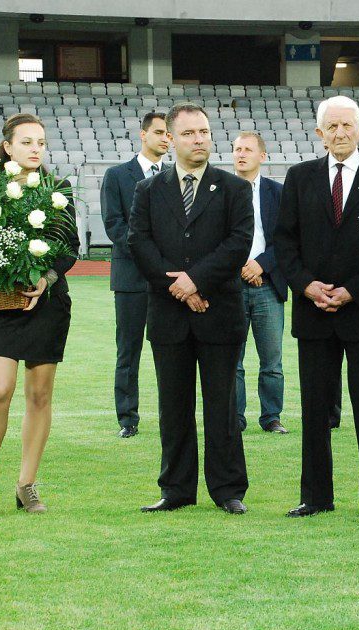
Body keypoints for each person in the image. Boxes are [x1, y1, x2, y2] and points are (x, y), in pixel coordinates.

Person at [274, 95, 359, 519]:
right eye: (331, 127)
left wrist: (352, 291)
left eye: (347, 125)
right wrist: (306, 286)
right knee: (314, 408)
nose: (340, 133)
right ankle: (315, 497)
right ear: (319, 133)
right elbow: (284, 241)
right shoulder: (299, 177)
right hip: (312, 312)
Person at [128, 103, 254, 516]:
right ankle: (176, 489)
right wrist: (179, 289)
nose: (198, 139)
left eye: (203, 132)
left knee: (222, 405)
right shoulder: (148, 190)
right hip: (169, 317)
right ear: (171, 140)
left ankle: (228, 489)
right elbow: (139, 244)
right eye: (188, 134)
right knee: (173, 405)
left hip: (219, 313)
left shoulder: (234, 188)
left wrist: (195, 281)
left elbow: (238, 243)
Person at [0, 113, 80, 516]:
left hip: (48, 305)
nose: (36, 149)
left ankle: (27, 485)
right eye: (27, 142)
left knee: (39, 395)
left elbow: (70, 246)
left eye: (41, 142)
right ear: (8, 146)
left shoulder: (58, 189)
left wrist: (48, 278)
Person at [101, 111, 170, 439]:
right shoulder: (116, 175)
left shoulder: (175, 175)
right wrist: (148, 254)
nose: (165, 138)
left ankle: (171, 413)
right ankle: (127, 418)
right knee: (128, 350)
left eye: (168, 133)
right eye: (159, 132)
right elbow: (114, 224)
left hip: (169, 281)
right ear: (143, 135)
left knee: (170, 351)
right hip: (131, 278)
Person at [231, 131, 289, 434]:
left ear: (262, 156)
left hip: (268, 285)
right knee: (233, 360)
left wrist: (260, 264)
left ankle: (271, 417)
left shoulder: (278, 193)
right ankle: (235, 418)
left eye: (248, 149)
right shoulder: (219, 190)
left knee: (272, 361)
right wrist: (239, 266)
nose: (241, 154)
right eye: (237, 149)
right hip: (230, 286)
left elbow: (288, 240)